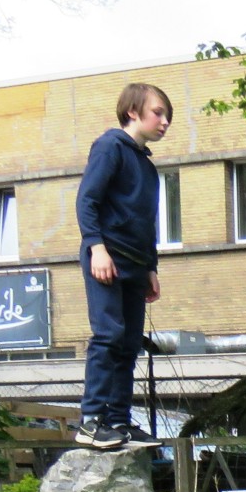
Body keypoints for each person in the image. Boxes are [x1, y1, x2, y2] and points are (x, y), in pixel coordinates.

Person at [73, 83, 172, 450]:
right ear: (133, 111)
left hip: (135, 264)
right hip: (107, 258)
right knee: (108, 336)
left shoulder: (147, 167)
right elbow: (87, 201)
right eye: (157, 112)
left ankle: (118, 421)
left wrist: (151, 268)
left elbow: (146, 221)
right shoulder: (110, 146)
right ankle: (91, 422)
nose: (164, 121)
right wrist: (96, 248)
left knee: (129, 344)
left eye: (167, 116)